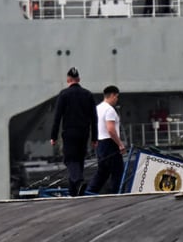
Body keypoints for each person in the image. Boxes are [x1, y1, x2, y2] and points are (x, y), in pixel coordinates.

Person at [50, 67, 98, 196]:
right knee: (80, 160)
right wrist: (95, 138)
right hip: (84, 133)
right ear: (79, 80)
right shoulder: (87, 94)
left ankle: (78, 181)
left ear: (68, 80)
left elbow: (57, 117)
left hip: (69, 132)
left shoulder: (64, 94)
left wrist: (53, 136)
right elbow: (94, 118)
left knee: (70, 160)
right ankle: (74, 193)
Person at [87, 85, 126, 194]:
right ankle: (116, 194)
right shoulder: (110, 110)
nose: (117, 99)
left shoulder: (97, 108)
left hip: (100, 143)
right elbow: (110, 129)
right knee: (117, 171)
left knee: (102, 172)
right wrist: (120, 144)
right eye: (117, 97)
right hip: (110, 143)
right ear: (113, 95)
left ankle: (90, 192)